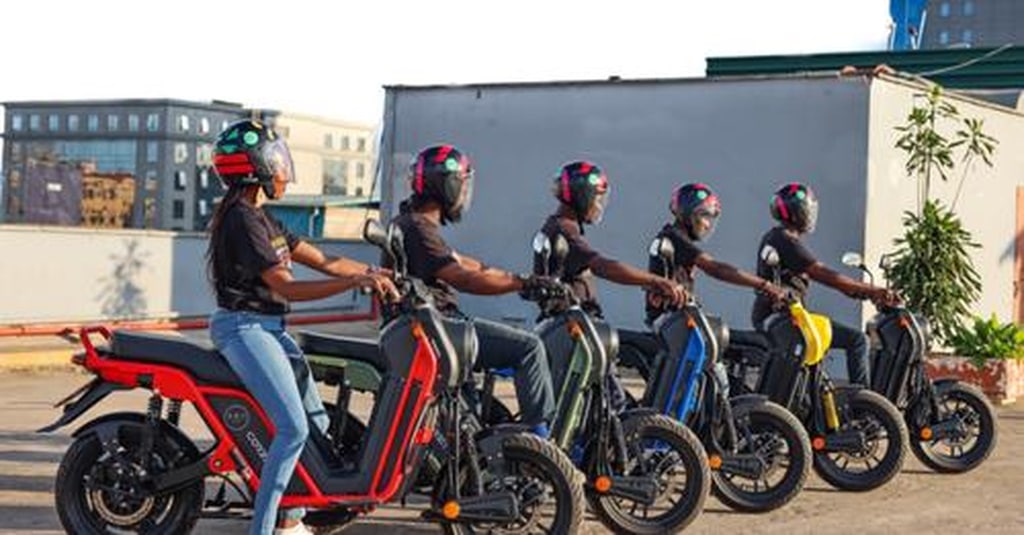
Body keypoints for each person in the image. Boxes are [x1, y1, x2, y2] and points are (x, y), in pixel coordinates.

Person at [206, 119, 397, 535]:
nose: (283, 172)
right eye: (276, 162)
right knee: (292, 428)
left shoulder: (263, 219)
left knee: (315, 421)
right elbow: (285, 286)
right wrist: (353, 283)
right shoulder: (242, 220)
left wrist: (374, 272)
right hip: (244, 329)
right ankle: (268, 527)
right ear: (252, 168)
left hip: (269, 329)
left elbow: (324, 259)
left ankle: (293, 516)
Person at [389, 144, 556, 436]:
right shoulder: (418, 228)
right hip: (439, 330)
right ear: (447, 186)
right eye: (462, 185)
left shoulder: (414, 225)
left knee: (471, 411)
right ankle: (542, 442)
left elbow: (470, 265)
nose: (465, 194)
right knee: (529, 348)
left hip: (435, 328)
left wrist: (523, 278)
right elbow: (463, 277)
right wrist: (521, 283)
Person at [617, 183, 787, 380]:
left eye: (710, 218)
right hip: (674, 322)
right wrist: (763, 284)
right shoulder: (675, 237)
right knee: (719, 360)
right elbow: (715, 268)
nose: (707, 224)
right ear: (687, 214)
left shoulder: (676, 238)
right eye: (704, 216)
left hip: (678, 319)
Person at [751, 182, 898, 386]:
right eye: (807, 210)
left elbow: (827, 278)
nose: (811, 215)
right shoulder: (785, 240)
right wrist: (871, 290)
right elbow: (824, 274)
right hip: (786, 321)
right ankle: (863, 404)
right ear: (798, 213)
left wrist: (858, 292)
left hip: (781, 318)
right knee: (858, 341)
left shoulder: (776, 237)